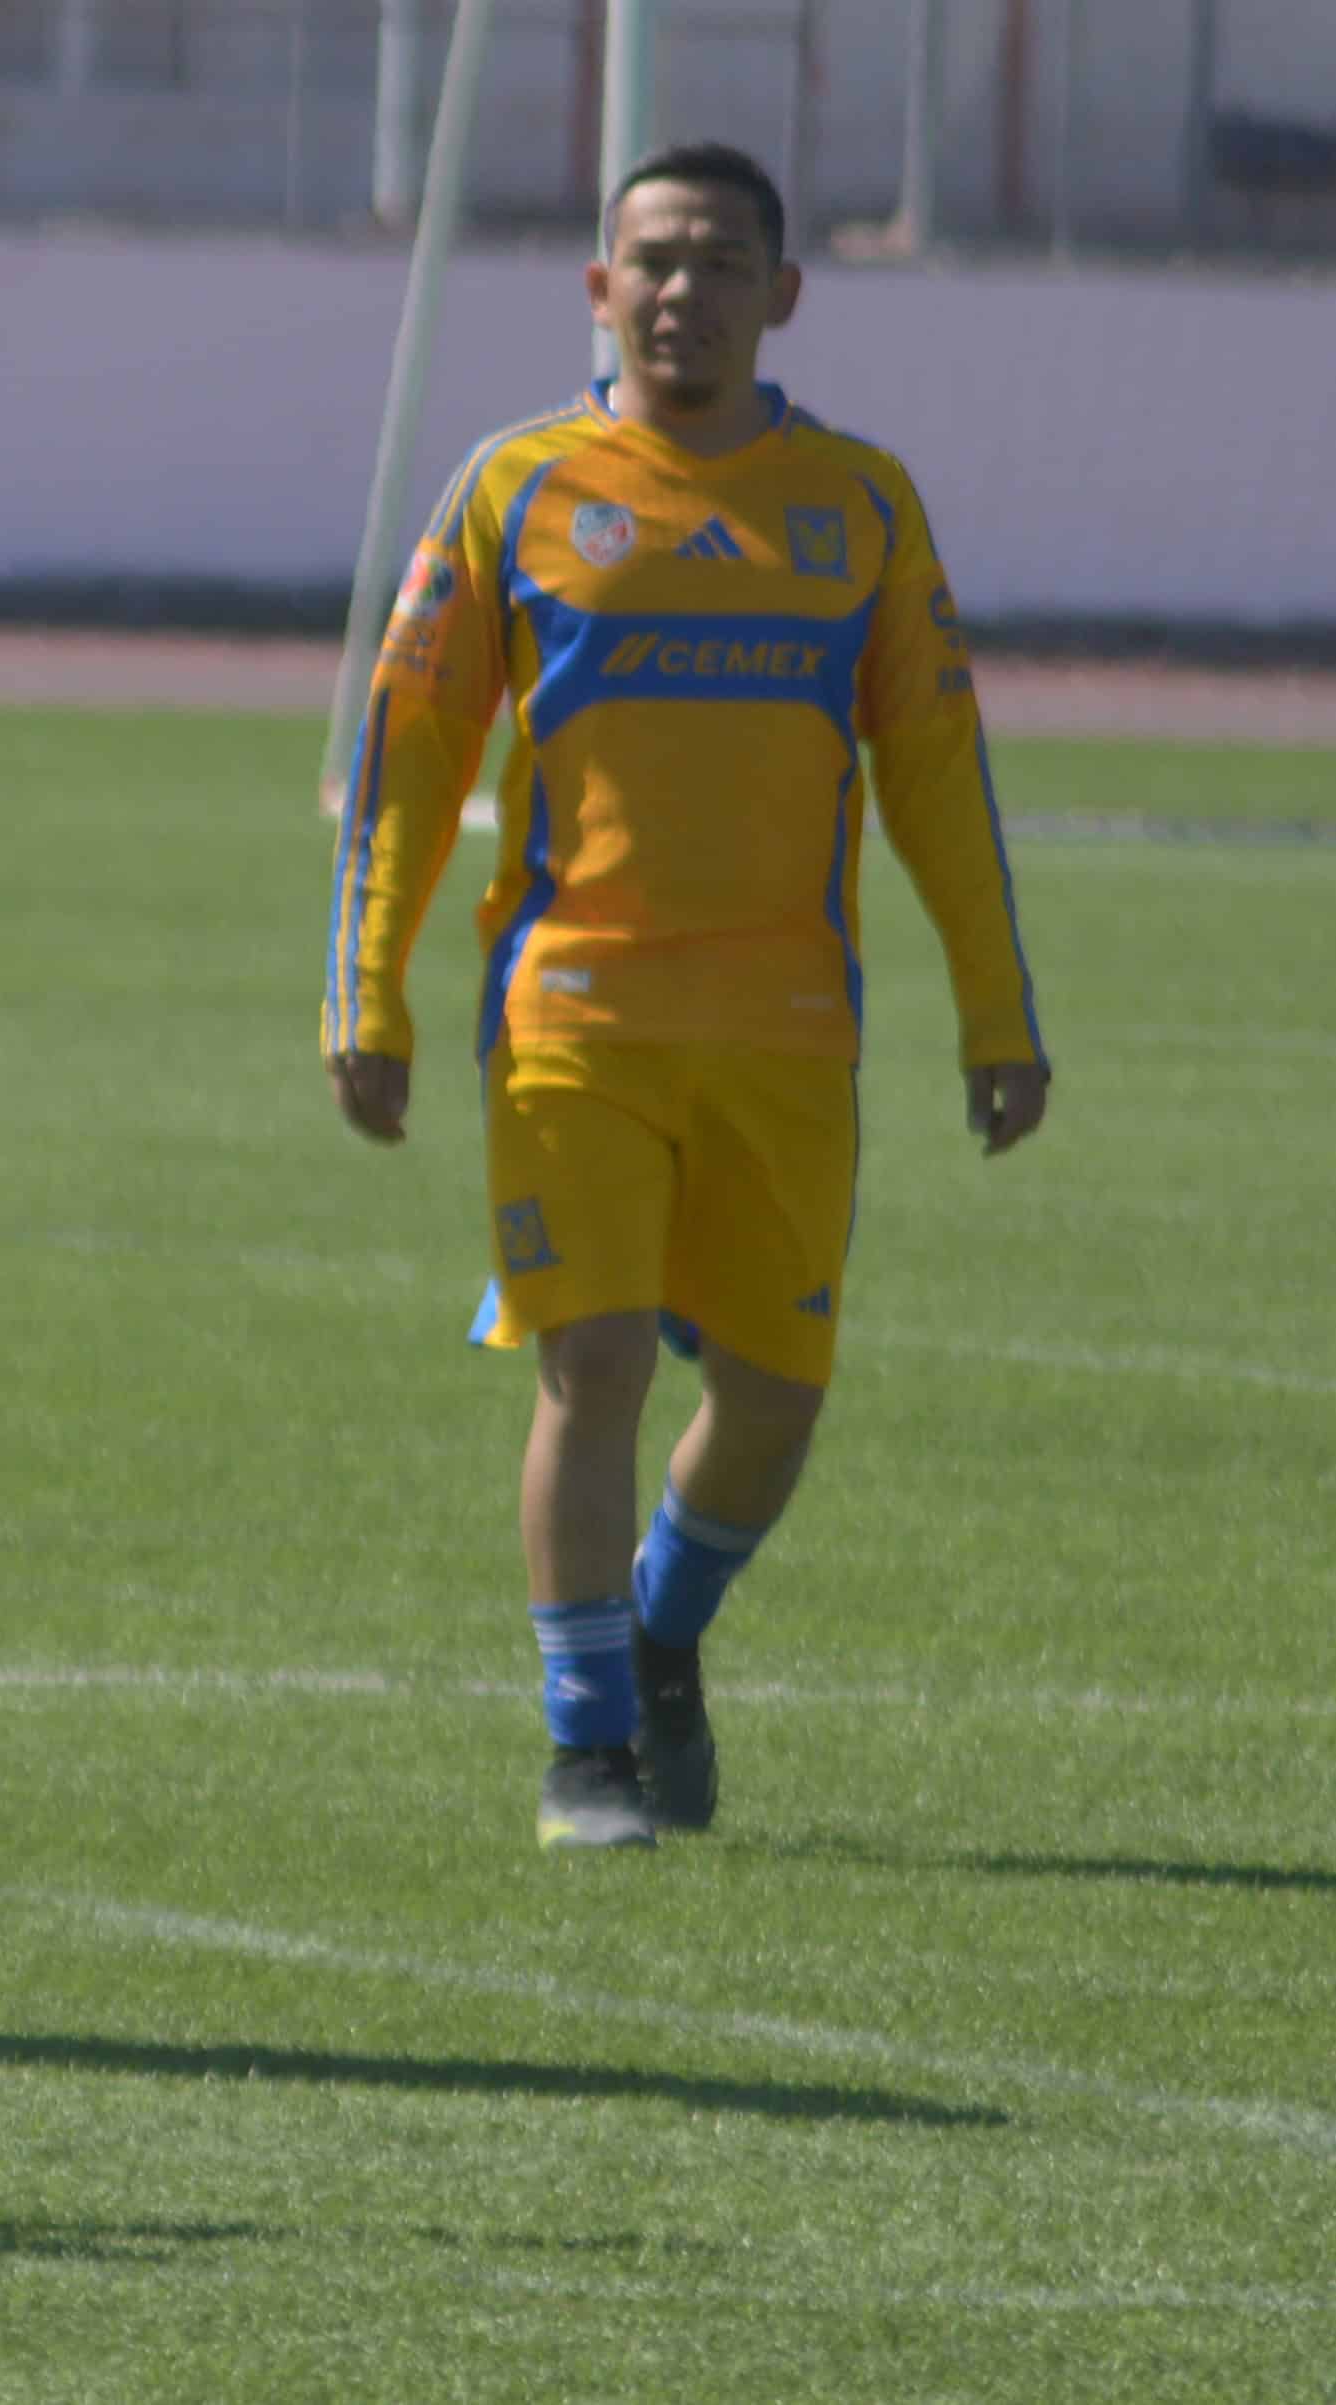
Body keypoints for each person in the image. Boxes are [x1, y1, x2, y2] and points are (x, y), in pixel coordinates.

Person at [319, 143, 1050, 1851]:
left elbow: (938, 773)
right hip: (570, 1017)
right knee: (589, 1365)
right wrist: (369, 994)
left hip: (787, 1031)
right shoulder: (515, 486)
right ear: (598, 288)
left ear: (781, 294)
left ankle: (656, 1628)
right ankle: (584, 1747)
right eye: (651, 259)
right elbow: (409, 754)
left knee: (776, 1397)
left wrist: (997, 1015)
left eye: (722, 262)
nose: (681, 292)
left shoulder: (859, 505)